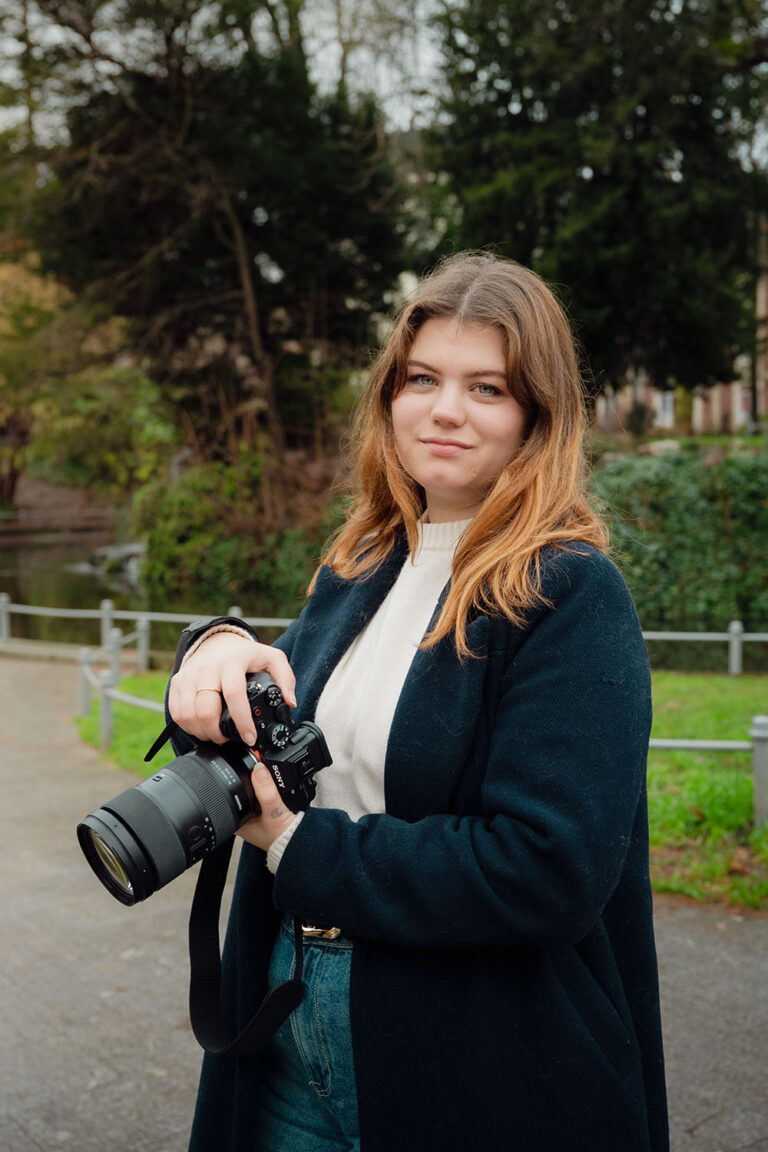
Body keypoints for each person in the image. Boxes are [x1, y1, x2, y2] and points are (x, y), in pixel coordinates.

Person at [167, 252, 669, 1152]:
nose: (445, 410)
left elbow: (545, 869)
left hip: (474, 1055)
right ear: (390, 396)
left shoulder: (569, 592)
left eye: (487, 388)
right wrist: (216, 649)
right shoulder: (360, 562)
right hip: (284, 1015)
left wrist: (299, 845)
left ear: (535, 417)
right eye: (424, 378)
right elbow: (293, 736)